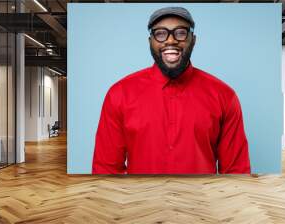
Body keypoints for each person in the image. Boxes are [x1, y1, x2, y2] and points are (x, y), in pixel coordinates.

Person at [92, 6, 250, 174]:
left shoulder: (224, 95)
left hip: (202, 200)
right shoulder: (119, 94)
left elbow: (236, 172)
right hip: (139, 199)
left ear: (193, 40)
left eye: (180, 33)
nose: (170, 40)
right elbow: (105, 170)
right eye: (160, 33)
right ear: (150, 42)